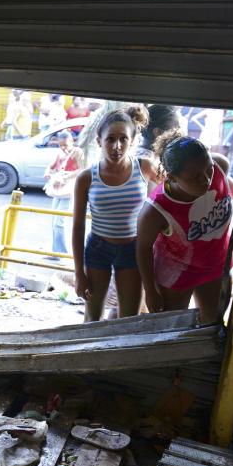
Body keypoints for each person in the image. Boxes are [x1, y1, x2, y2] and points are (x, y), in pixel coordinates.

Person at [136, 131, 233, 324]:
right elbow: (143, 248)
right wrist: (150, 290)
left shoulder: (220, 166)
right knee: (170, 329)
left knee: (213, 325)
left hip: (216, 263)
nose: (205, 179)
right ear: (172, 177)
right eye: (194, 177)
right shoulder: (155, 210)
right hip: (176, 272)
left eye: (208, 169)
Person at [72, 106, 159, 322]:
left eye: (123, 139)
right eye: (110, 139)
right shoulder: (86, 178)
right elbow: (78, 227)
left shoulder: (145, 168)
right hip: (98, 249)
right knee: (92, 317)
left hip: (133, 250)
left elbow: (172, 192)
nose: (116, 146)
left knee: (128, 319)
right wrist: (79, 274)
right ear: (99, 140)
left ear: (133, 141)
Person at [44, 131, 84, 256]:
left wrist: (65, 178)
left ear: (72, 142)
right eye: (60, 145)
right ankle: (56, 251)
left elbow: (83, 169)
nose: (63, 147)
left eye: (65, 145)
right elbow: (51, 166)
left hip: (69, 190)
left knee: (59, 222)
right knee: (54, 220)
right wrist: (48, 172)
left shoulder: (77, 152)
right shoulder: (60, 153)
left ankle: (60, 253)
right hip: (58, 190)